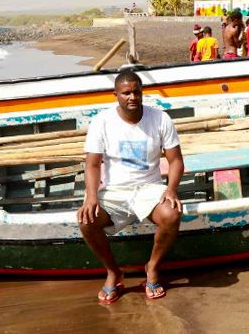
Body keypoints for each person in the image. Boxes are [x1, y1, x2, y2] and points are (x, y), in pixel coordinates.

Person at [78, 71, 184, 304]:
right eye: (126, 93)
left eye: (137, 91)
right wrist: (91, 196)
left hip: (149, 188)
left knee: (172, 213)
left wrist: (171, 189)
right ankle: (114, 272)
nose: (132, 97)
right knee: (86, 220)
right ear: (116, 95)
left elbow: (176, 160)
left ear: (142, 92)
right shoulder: (102, 121)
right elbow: (93, 164)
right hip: (114, 191)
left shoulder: (160, 118)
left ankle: (152, 268)